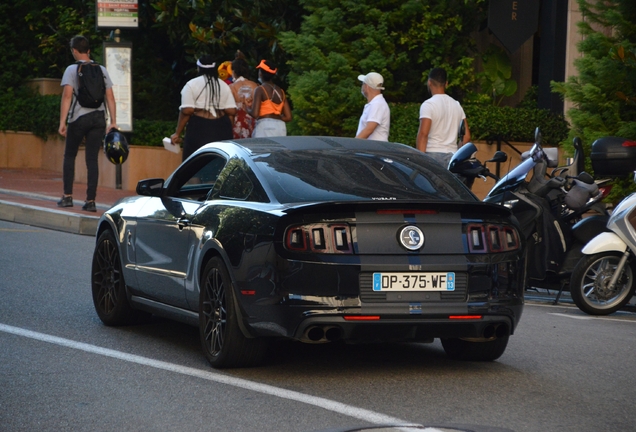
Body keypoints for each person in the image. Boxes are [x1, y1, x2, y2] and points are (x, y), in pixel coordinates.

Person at [57, 35, 117, 212]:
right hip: (98, 119)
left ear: (74, 51)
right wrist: (112, 122)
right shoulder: (101, 69)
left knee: (70, 155)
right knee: (92, 159)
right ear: (89, 50)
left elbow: (67, 96)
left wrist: (62, 122)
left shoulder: (71, 70)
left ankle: (67, 196)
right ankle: (91, 201)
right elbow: (110, 97)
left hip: (78, 118)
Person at [171, 55, 237, 161]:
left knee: (195, 165)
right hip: (222, 127)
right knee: (218, 164)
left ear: (199, 68)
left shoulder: (191, 84)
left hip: (199, 127)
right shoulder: (223, 85)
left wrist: (177, 133)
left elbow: (187, 110)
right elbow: (232, 111)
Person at [416, 67, 470, 167]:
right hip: (452, 157)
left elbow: (423, 134)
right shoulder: (457, 105)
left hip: (432, 156)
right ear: (446, 84)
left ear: (429, 82)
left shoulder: (428, 105)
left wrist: (420, 162)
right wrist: (456, 152)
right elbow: (466, 136)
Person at [247, 60, 292, 137]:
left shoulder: (260, 89)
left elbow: (255, 114)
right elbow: (288, 117)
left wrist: (247, 107)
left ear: (260, 73)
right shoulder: (280, 91)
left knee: (262, 149)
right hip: (281, 127)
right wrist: (275, 117)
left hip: (265, 125)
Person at [229, 51, 259, 139]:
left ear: (234, 71)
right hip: (253, 121)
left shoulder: (231, 87)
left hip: (237, 122)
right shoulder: (255, 85)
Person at [355, 72, 390, 141]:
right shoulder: (376, 103)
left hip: (375, 150)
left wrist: (353, 145)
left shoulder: (377, 104)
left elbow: (369, 129)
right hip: (373, 149)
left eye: (363, 84)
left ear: (366, 86)